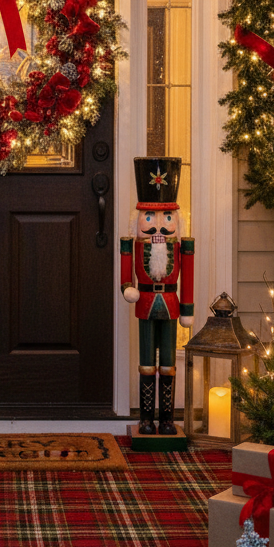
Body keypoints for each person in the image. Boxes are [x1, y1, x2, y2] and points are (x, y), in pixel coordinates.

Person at [120, 157, 194, 435]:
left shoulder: (182, 246)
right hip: (146, 304)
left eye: (167, 218)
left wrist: (187, 308)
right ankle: (146, 419)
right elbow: (126, 274)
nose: (158, 227)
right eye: (149, 218)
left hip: (172, 305)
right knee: (147, 363)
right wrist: (127, 288)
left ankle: (167, 419)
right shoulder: (133, 245)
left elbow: (189, 276)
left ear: (177, 220)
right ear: (138, 220)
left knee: (169, 365)